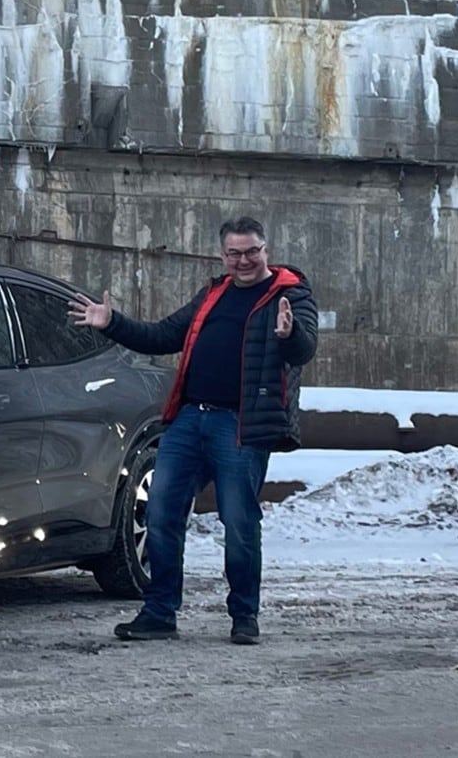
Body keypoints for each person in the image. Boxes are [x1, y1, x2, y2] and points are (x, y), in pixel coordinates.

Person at [68, 217, 318, 645]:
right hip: (188, 420)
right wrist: (111, 322)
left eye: (252, 251)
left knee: (239, 522)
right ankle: (160, 612)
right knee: (161, 514)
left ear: (266, 249)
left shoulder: (290, 294)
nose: (244, 260)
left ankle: (244, 616)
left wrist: (290, 332)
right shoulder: (213, 294)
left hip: (240, 425)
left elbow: (305, 348)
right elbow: (163, 335)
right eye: (235, 253)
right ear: (223, 255)